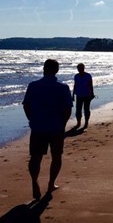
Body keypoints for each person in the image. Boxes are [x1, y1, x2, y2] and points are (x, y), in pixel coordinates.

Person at [22, 59, 73, 200]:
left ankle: (34, 181)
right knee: (56, 156)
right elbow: (68, 110)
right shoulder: (63, 88)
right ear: (57, 70)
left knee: (36, 157)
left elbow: (26, 105)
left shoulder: (33, 86)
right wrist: (62, 124)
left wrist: (31, 119)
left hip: (38, 126)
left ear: (44, 69)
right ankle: (51, 183)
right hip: (56, 127)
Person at [72, 63, 95, 129]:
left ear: (83, 68)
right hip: (79, 95)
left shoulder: (88, 76)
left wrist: (92, 94)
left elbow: (91, 85)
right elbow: (75, 85)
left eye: (81, 68)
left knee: (86, 109)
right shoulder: (76, 76)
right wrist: (73, 95)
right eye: (78, 68)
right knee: (78, 110)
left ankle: (86, 122)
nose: (80, 69)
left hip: (87, 95)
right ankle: (78, 122)